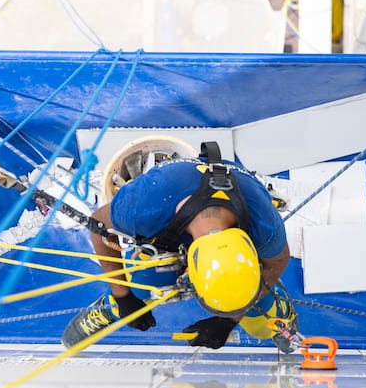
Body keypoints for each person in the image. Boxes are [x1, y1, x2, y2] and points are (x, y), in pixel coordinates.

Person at [61, 143, 294, 349]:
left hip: (219, 201)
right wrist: (121, 295)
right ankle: (112, 306)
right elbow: (99, 224)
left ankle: (277, 309)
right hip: (170, 205)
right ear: (189, 271)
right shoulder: (142, 209)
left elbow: (277, 262)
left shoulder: (264, 226)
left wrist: (229, 320)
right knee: (142, 289)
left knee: (262, 327)